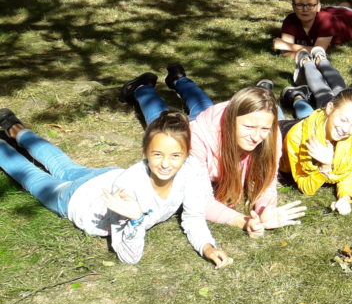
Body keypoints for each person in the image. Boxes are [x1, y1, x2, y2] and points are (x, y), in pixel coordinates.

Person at [0, 109, 232, 267]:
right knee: (32, 176)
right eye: (157, 154)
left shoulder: (192, 169)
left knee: (62, 164)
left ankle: (14, 127)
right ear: (145, 152)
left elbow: (193, 216)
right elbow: (129, 256)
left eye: (175, 155)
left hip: (103, 176)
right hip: (78, 201)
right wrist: (135, 220)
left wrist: (207, 247)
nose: (165, 164)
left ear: (187, 153)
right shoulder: (129, 188)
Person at [120, 65, 307, 236]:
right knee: (161, 122)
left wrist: (266, 208)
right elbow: (199, 198)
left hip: (214, 122)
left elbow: (267, 179)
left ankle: (179, 80)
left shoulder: (270, 132)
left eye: (264, 129)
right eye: (249, 127)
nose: (257, 137)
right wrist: (243, 221)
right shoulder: (198, 140)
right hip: (201, 130)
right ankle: (142, 88)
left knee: (203, 104)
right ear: (230, 120)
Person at [283, 90, 352, 215]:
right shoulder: (296, 138)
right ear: (330, 108)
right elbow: (306, 187)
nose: (346, 129)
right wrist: (325, 166)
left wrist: (345, 197)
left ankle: (296, 96)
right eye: (343, 120)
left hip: (315, 124)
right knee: (273, 116)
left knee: (304, 113)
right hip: (281, 135)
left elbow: (347, 172)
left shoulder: (350, 135)